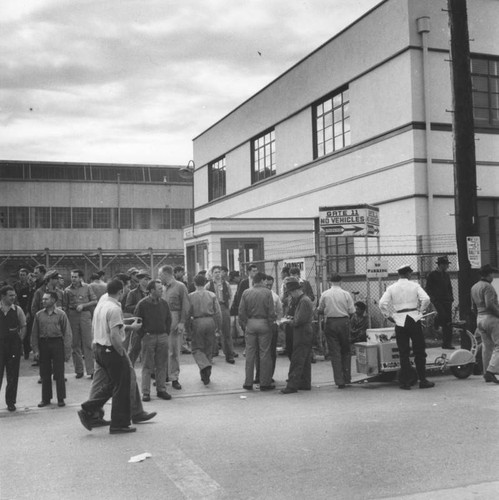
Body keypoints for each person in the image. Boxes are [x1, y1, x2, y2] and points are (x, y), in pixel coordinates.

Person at [78, 279, 142, 434]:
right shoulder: (114, 308)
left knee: (113, 383)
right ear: (120, 291)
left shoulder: (102, 305)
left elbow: (108, 327)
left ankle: (89, 407)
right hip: (111, 350)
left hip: (100, 348)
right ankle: (119, 424)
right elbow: (114, 335)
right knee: (122, 386)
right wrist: (121, 352)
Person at [379, 265, 434, 390]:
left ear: (399, 274)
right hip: (414, 318)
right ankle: (422, 380)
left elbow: (382, 303)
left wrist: (388, 316)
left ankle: (405, 382)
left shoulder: (391, 288)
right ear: (409, 274)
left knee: (403, 352)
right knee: (419, 350)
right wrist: (421, 310)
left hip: (399, 320)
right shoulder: (415, 286)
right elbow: (426, 299)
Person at [31, 291, 72, 407]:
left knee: (59, 372)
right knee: (45, 373)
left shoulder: (61, 314)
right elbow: (34, 334)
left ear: (54, 300)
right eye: (43, 299)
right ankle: (46, 399)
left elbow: (67, 333)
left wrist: (67, 351)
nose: (43, 301)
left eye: (46, 299)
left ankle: (60, 398)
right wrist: (35, 350)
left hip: (57, 343)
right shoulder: (39, 315)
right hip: (44, 344)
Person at [134, 279, 172, 401]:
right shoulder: (142, 304)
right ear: (151, 290)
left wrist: (166, 333)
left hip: (162, 337)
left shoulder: (164, 304)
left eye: (162, 288)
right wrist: (144, 335)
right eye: (159, 289)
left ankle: (161, 390)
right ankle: (146, 392)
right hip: (148, 337)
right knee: (147, 365)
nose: (162, 290)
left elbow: (168, 319)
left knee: (162, 365)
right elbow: (137, 321)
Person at [238, 271, 276, 391]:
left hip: (250, 323)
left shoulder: (246, 292)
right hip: (264, 323)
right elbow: (271, 311)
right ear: (261, 281)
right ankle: (265, 383)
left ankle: (248, 382)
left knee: (250, 354)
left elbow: (241, 311)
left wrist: (244, 325)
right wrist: (270, 324)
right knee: (264, 354)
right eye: (264, 281)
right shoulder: (267, 292)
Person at [317, 273, 355, 389]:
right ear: (341, 281)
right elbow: (352, 311)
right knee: (346, 350)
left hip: (331, 322)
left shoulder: (325, 294)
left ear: (329, 281)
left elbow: (320, 310)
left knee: (335, 352)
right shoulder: (346, 294)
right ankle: (347, 378)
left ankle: (339, 381)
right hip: (344, 322)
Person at [158, 265, 190, 391]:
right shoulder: (162, 288)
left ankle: (174, 377)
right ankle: (164, 376)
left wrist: (182, 322)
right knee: (162, 350)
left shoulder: (180, 287)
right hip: (162, 320)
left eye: (160, 274)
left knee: (174, 350)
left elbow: (186, 305)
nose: (159, 277)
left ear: (166, 274)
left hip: (174, 318)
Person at [281, 278, 314, 394]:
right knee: (304, 359)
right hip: (303, 331)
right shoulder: (301, 300)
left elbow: (299, 320)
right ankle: (305, 383)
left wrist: (287, 321)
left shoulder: (304, 301)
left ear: (295, 291)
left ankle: (292, 385)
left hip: (302, 331)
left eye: (290, 292)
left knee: (297, 358)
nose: (290, 295)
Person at [63, 269, 97, 379]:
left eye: (75, 277)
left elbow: (94, 301)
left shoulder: (87, 287)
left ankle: (91, 370)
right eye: (72, 277)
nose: (73, 279)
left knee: (87, 343)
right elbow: (65, 305)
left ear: (80, 278)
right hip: (72, 316)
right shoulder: (67, 290)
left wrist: (83, 305)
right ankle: (79, 370)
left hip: (85, 315)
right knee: (75, 344)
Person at [188, 274, 222, 385]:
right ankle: (206, 376)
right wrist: (218, 327)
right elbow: (218, 312)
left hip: (197, 321)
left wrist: (188, 328)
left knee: (197, 348)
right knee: (208, 348)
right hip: (210, 321)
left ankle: (204, 366)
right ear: (205, 283)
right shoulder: (212, 295)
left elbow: (188, 313)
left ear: (194, 283)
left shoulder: (191, 296)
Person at [471, 264, 499, 384]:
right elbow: (490, 305)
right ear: (488, 274)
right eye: (492, 273)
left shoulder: (474, 287)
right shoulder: (488, 287)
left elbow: (473, 307)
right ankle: (491, 371)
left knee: (487, 347)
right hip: (491, 318)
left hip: (480, 318)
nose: (493, 276)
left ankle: (486, 372)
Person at [0, 285, 27, 411]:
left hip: (13, 347)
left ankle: (10, 401)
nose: (13, 297)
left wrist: (19, 340)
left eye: (14, 295)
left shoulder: (17, 310)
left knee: (12, 375)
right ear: (3, 296)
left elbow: (23, 326)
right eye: (10, 295)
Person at [206, 265, 235, 364]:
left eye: (219, 272)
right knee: (211, 332)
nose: (218, 274)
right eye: (215, 272)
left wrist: (228, 308)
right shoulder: (208, 285)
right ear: (211, 274)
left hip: (223, 307)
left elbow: (231, 296)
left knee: (226, 332)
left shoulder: (226, 284)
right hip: (213, 310)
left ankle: (229, 355)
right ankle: (211, 354)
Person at [426, 255, 454, 349]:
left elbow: (449, 287)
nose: (447, 266)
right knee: (442, 315)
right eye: (446, 264)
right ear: (441, 265)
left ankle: (447, 343)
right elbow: (428, 288)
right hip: (438, 300)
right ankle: (436, 321)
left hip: (447, 300)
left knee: (448, 322)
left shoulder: (446, 275)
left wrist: (451, 297)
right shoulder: (432, 275)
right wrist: (433, 299)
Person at [125, 270, 150, 365]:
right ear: (139, 280)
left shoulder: (151, 292)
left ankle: (151, 371)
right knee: (135, 348)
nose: (147, 281)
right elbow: (127, 307)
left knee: (149, 348)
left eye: (148, 279)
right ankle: (129, 368)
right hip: (138, 322)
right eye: (145, 279)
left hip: (150, 323)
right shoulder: (133, 293)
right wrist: (140, 306)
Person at [14, 268, 31, 359]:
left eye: (24, 275)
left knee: (26, 331)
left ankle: (27, 351)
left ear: (27, 275)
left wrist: (28, 311)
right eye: (21, 275)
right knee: (17, 330)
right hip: (18, 309)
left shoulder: (30, 286)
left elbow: (30, 299)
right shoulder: (15, 285)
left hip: (27, 310)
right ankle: (18, 350)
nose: (22, 276)